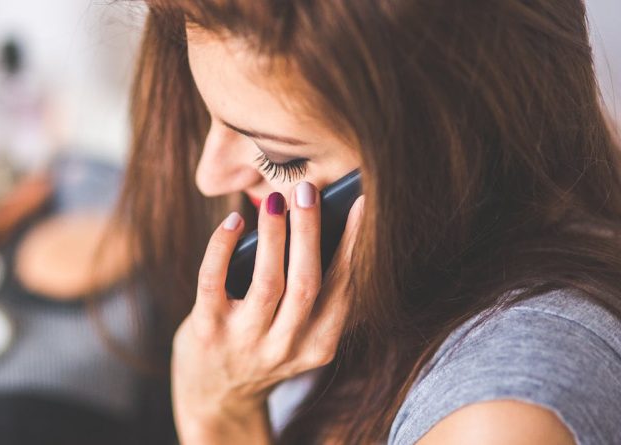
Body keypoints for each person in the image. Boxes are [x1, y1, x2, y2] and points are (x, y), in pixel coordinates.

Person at [108, 0, 621, 443]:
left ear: (447, 162)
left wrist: (218, 419)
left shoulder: (503, 423)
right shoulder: (405, 275)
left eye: (277, 158)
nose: (207, 176)